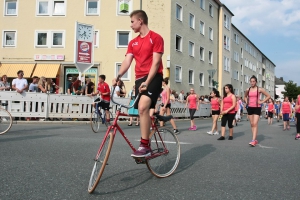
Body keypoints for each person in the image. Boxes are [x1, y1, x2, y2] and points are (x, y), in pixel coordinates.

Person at [112, 10, 164, 158]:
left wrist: (147, 82)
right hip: (139, 79)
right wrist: (118, 76)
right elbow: (127, 61)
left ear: (140, 21)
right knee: (142, 111)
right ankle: (151, 125)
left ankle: (145, 145)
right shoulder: (133, 42)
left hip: (154, 77)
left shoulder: (156, 38)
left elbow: (156, 63)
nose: (130, 25)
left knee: (142, 108)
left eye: (132, 21)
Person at [244, 75, 270, 147]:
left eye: (253, 81)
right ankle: (254, 139)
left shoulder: (259, 89)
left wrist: (262, 102)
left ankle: (253, 140)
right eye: (251, 81)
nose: (252, 83)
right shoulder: (248, 89)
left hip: (257, 107)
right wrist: (246, 102)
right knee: (252, 124)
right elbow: (245, 97)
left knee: (255, 123)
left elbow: (268, 96)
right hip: (250, 107)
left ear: (256, 82)